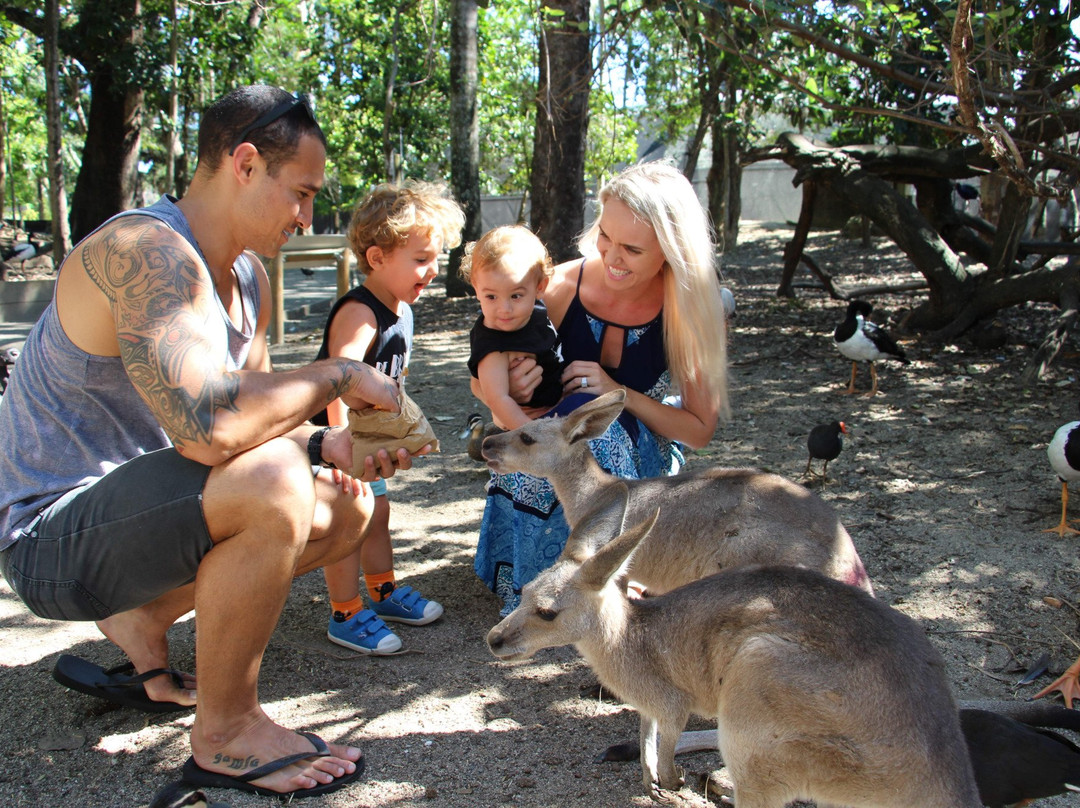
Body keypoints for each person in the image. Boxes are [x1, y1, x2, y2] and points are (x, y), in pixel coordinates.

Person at [0, 85, 424, 799]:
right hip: (47, 537)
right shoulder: (146, 249)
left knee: (345, 510)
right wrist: (342, 372)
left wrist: (334, 449)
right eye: (302, 194)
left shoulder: (248, 279)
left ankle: (141, 616)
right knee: (273, 483)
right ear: (247, 163)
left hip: (134, 523)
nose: (307, 216)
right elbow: (212, 428)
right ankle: (226, 733)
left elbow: (263, 424)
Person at [471, 161, 730, 616]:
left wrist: (618, 393)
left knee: (598, 436)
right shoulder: (559, 286)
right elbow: (481, 379)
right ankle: (540, 585)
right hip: (541, 439)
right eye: (605, 236)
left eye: (632, 248)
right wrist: (507, 390)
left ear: (671, 252)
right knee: (557, 440)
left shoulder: (688, 309)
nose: (611, 256)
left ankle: (604, 584)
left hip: (629, 462)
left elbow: (699, 431)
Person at [312, 181, 464, 654]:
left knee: (378, 514)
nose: (434, 270)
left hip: (367, 440)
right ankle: (345, 612)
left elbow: (394, 377)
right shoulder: (361, 312)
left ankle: (382, 592)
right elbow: (339, 377)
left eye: (435, 258)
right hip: (333, 444)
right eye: (421, 260)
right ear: (377, 258)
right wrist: (339, 453)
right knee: (349, 521)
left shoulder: (403, 309)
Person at [461, 225, 565, 430]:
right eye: (491, 297)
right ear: (476, 288)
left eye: (516, 296)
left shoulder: (536, 311)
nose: (504, 309)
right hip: (526, 422)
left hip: (558, 404)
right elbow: (499, 400)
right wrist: (536, 436)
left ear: (540, 288)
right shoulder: (492, 345)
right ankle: (492, 436)